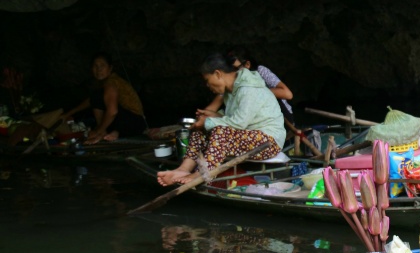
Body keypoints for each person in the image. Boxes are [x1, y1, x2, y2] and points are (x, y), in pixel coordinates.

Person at [157, 53, 286, 186]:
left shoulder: (248, 89)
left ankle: (202, 173)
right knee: (201, 131)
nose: (207, 85)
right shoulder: (231, 91)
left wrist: (208, 122)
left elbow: (239, 123)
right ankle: (183, 169)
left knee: (219, 131)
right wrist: (211, 116)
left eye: (207, 80)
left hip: (269, 142)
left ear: (218, 74)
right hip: (249, 137)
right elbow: (232, 118)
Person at [61, 53, 146, 144]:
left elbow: (112, 112)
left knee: (98, 98)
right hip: (135, 123)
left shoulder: (111, 83)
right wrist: (68, 114)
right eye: (95, 66)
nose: (99, 70)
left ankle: (106, 133)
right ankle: (112, 132)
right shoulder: (104, 84)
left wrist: (98, 130)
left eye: (102, 66)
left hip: (133, 123)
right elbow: (90, 101)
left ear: (110, 68)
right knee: (97, 96)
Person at [199, 48, 295, 125]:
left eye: (235, 68)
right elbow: (212, 109)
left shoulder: (260, 71)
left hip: (282, 116)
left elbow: (287, 94)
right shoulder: (230, 86)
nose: (232, 72)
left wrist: (258, 94)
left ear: (247, 64)